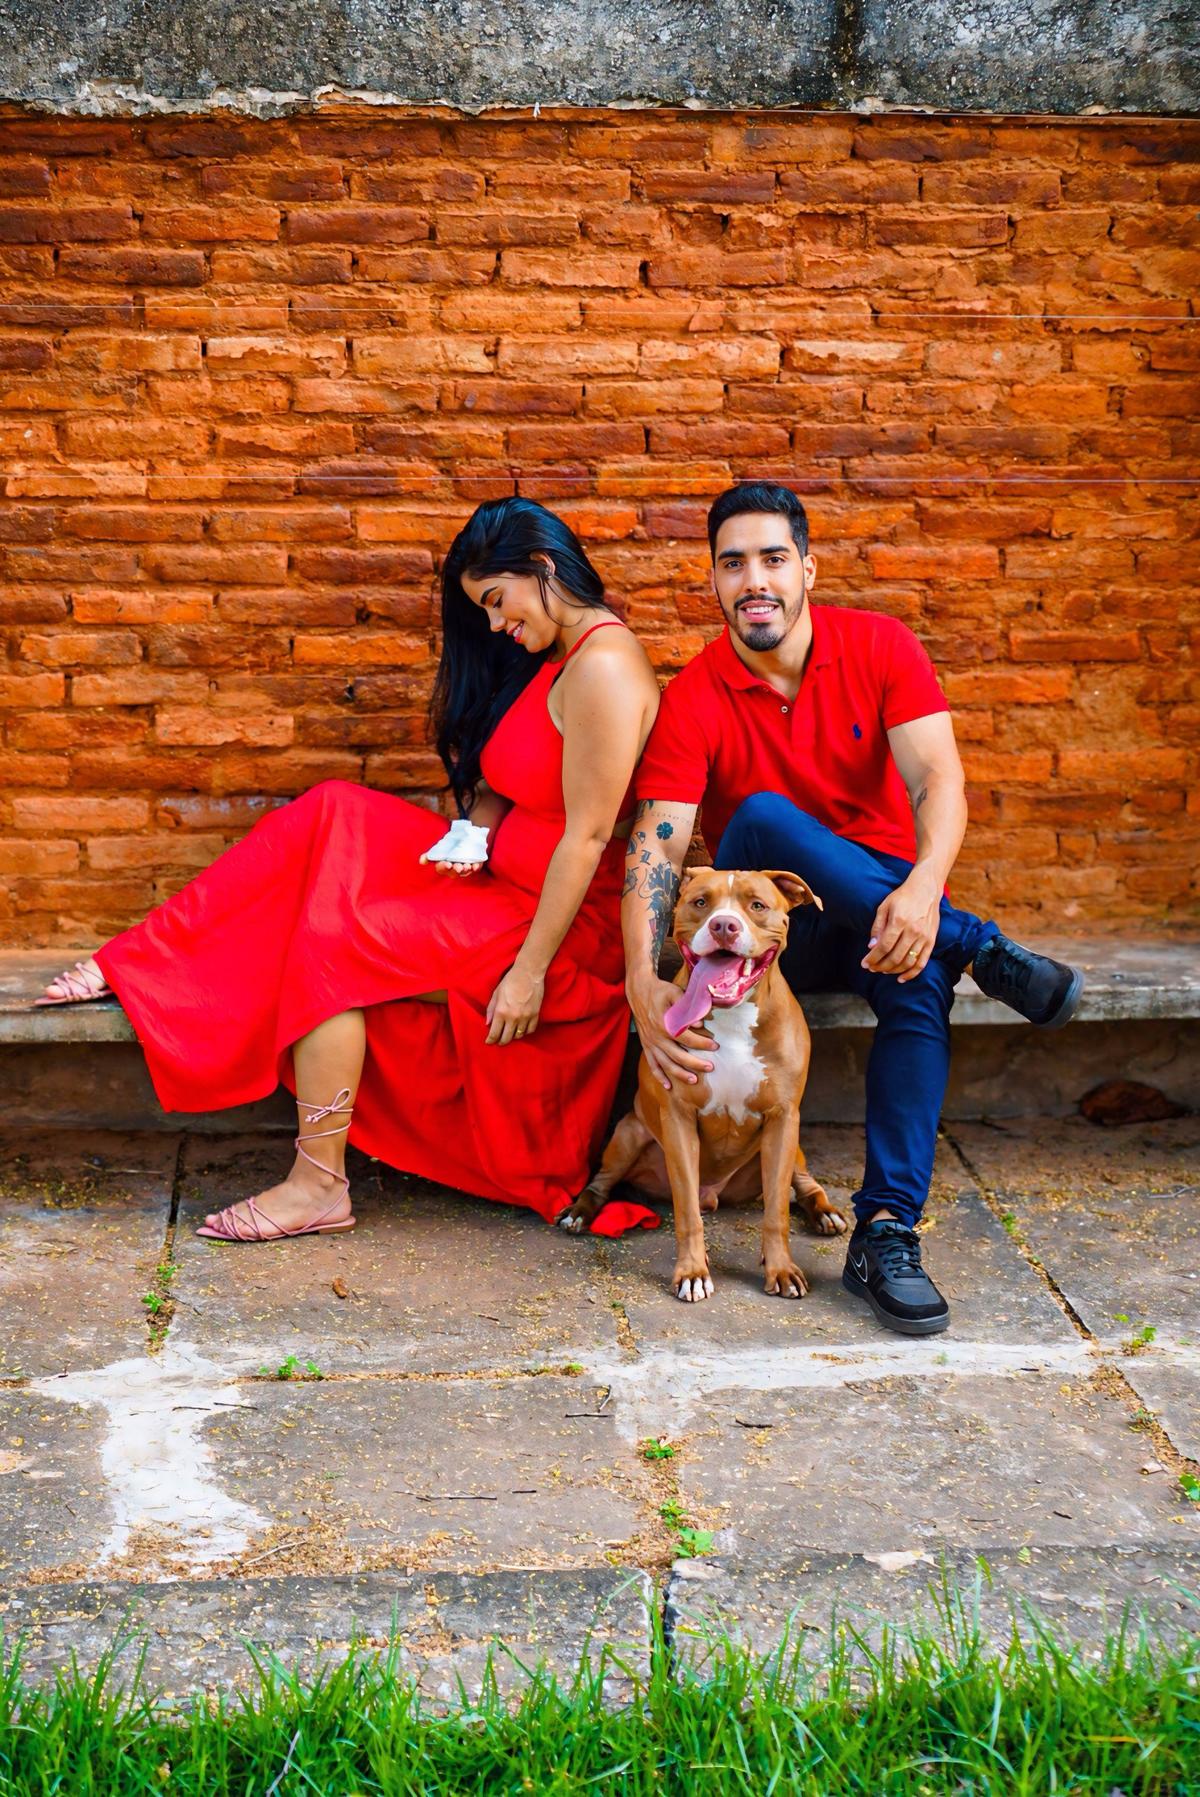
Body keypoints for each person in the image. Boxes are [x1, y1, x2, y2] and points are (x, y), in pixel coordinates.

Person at [37, 498, 662, 1241]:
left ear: (543, 568)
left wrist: (527, 975)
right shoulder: (558, 653)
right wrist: (473, 835)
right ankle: (138, 957)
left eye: (498, 600)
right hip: (496, 881)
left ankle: (318, 1185)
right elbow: (508, 778)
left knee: (335, 942)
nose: (496, 624)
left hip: (557, 932)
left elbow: (586, 838)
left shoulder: (606, 669)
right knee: (334, 808)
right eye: (486, 610)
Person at [620, 481, 1084, 1336]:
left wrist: (925, 888)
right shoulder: (695, 695)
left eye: (772, 559)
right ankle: (977, 945)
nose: (754, 580)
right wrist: (639, 979)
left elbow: (938, 779)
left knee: (918, 977)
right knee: (762, 817)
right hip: (774, 936)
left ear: (807, 568)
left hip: (888, 912)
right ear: (714, 580)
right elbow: (657, 843)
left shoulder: (880, 646)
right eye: (733, 564)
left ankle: (886, 1232)